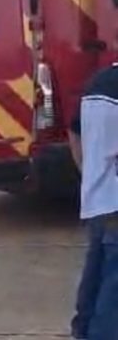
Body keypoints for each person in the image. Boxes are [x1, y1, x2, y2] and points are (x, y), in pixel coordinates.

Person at [69, 62, 118, 339]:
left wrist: (90, 173)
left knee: (92, 289)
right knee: (112, 305)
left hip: (97, 204)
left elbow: (74, 134)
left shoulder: (95, 84)